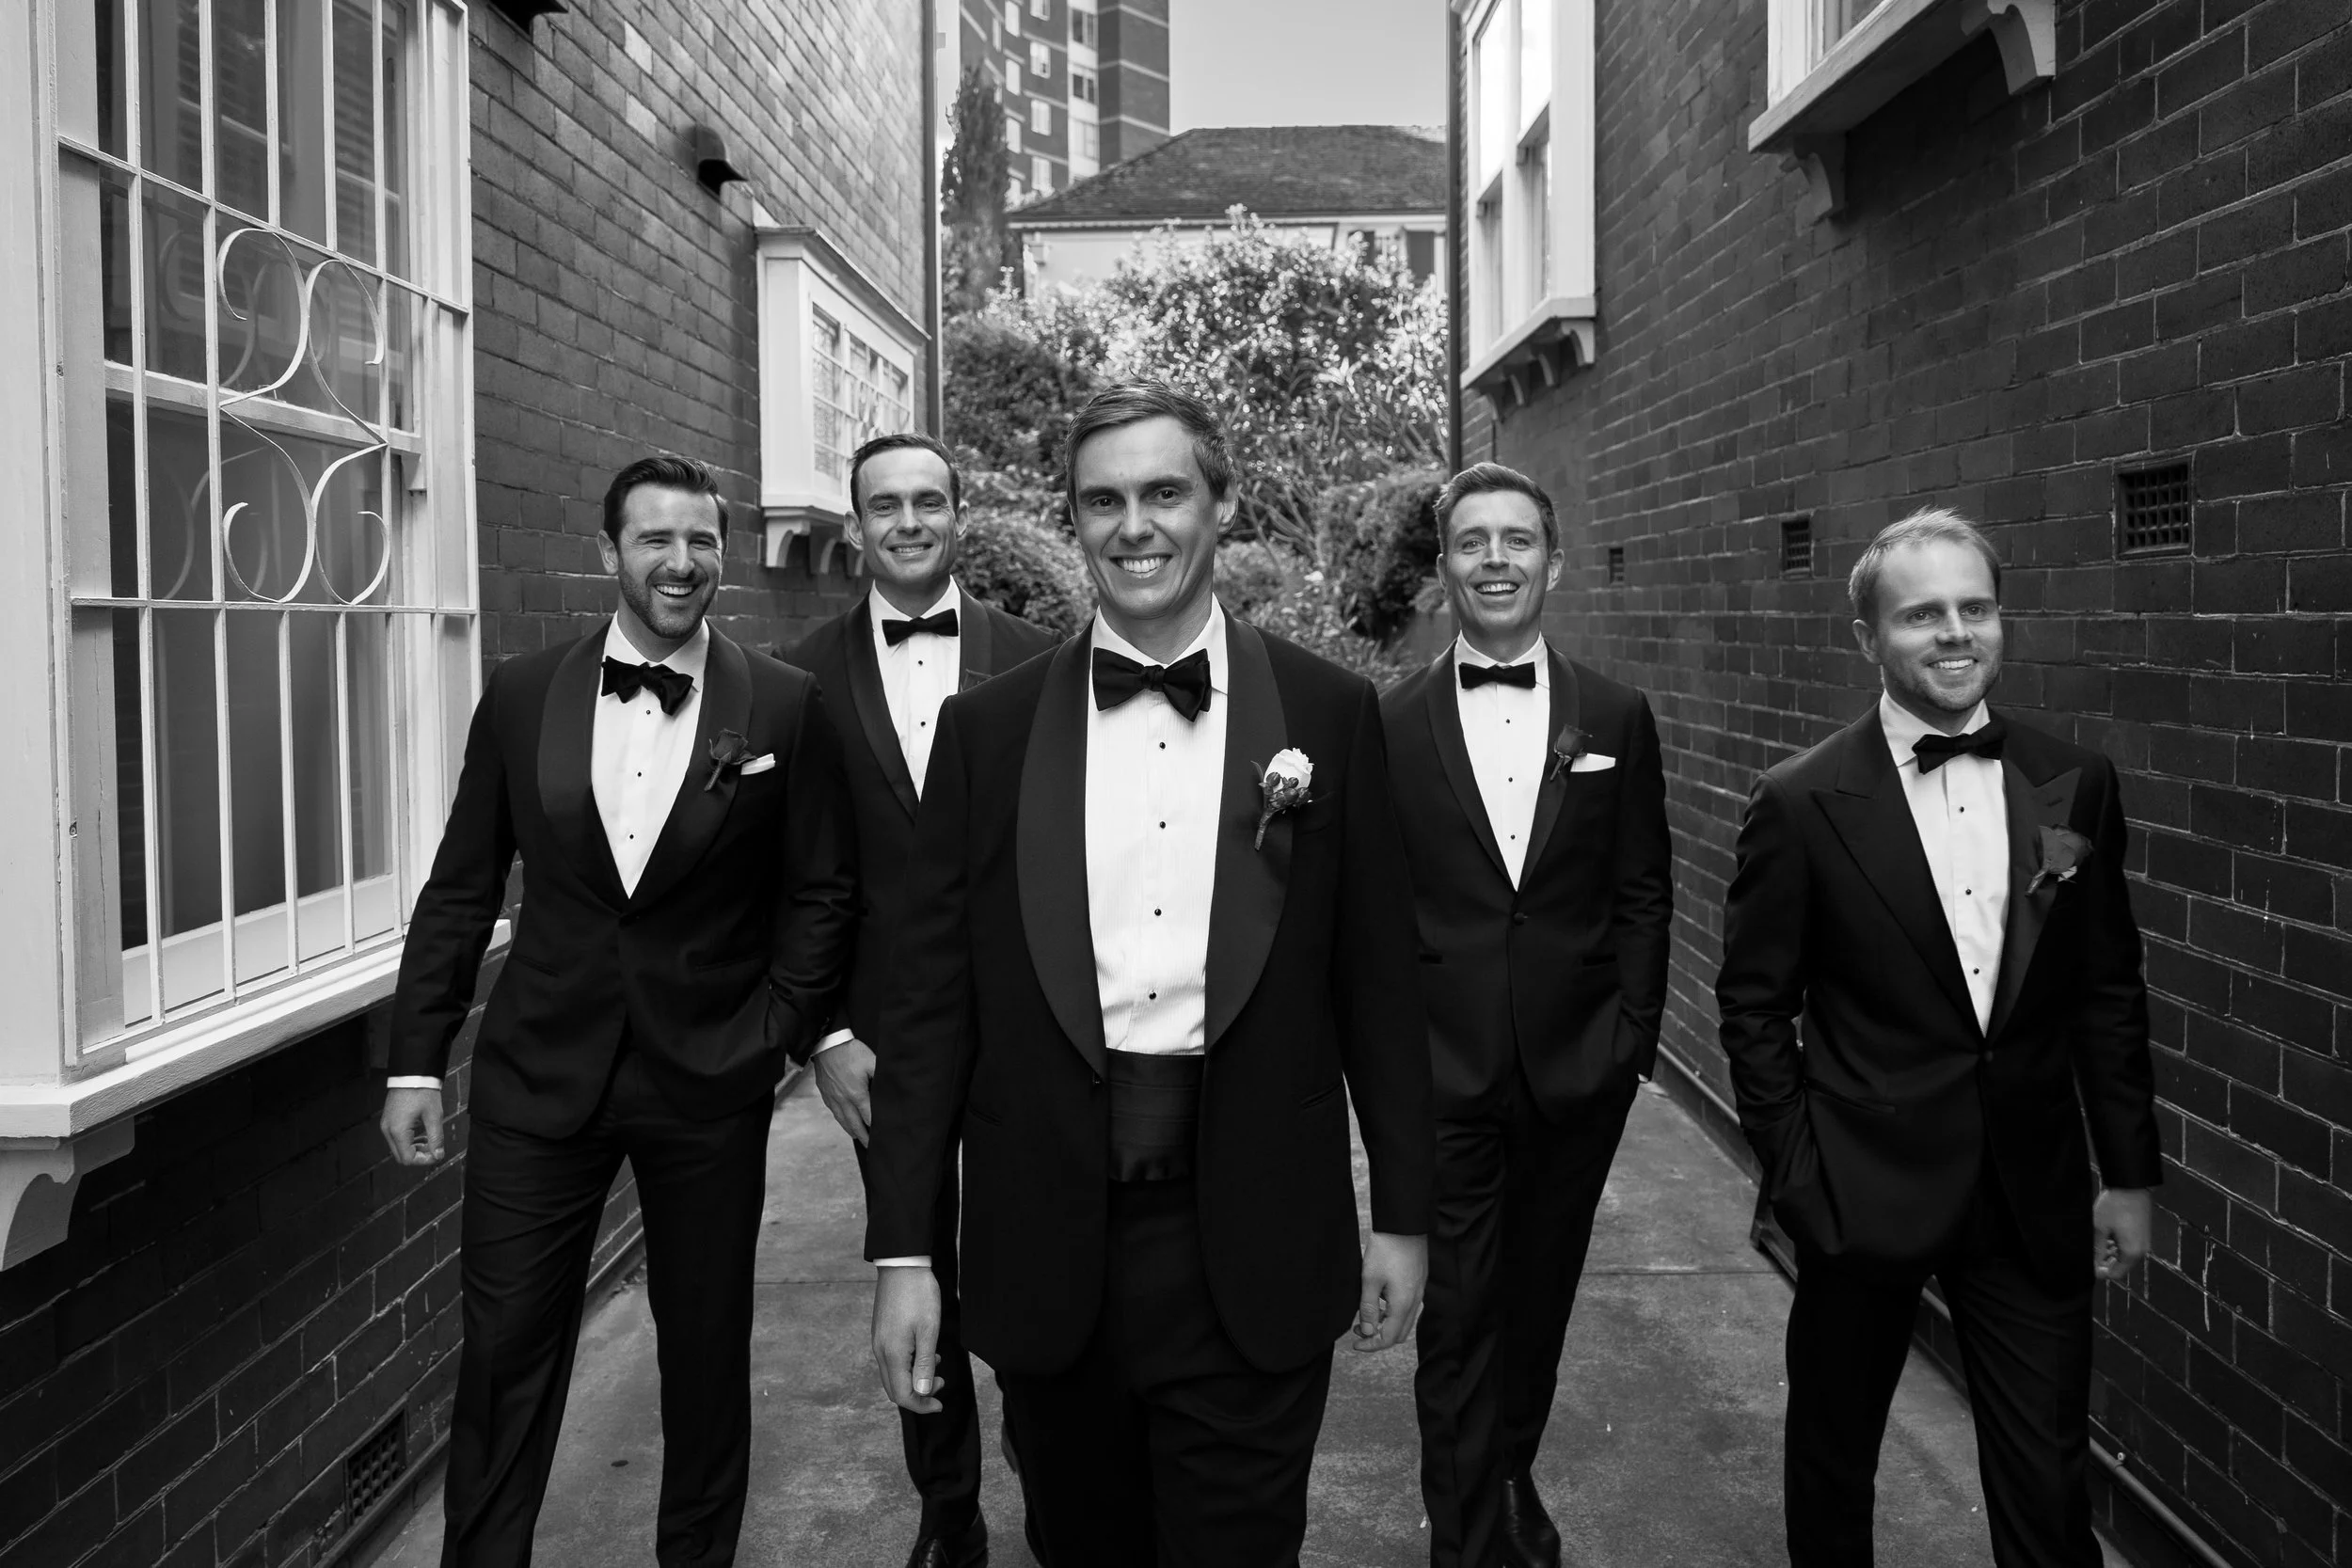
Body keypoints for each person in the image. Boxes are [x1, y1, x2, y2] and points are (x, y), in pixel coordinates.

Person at [863, 381, 1434, 1567]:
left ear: (1218, 504)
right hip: (1052, 1241)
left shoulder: (1331, 714)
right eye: (1103, 500)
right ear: (1073, 520)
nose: (1135, 525)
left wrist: (1405, 1214)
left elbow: (1377, 983)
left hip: (1258, 1234)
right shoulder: (988, 733)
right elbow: (928, 1014)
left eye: (1164, 491)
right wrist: (906, 1252)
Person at [381, 454, 858, 1568]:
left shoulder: (783, 700)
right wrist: (415, 1057)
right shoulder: (520, 691)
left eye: (700, 541)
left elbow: (822, 887)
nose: (680, 562)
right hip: (540, 1074)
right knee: (504, 1349)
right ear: (609, 552)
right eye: (654, 539)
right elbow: (462, 882)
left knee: (703, 1353)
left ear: (721, 554)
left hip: (710, 1077)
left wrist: (778, 1030)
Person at [1715, 509, 2161, 1567]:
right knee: (1832, 1461)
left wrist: (2128, 1172)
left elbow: (2105, 987)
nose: (1954, 632)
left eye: (1974, 607)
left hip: (2030, 1186)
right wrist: (1796, 1175)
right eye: (1921, 614)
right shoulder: (1798, 800)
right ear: (1867, 635)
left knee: (2048, 1475)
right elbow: (1752, 1005)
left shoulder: (2072, 781)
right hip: (1859, 1188)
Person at [1381, 464, 1672, 1568]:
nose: (1493, 559)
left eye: (1516, 540)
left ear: (1551, 560)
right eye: (1470, 541)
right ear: (1443, 565)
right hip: (1441, 1071)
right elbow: (1375, 905)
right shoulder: (1391, 719)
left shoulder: (1614, 715)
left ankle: (1508, 1468)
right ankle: (1468, 1542)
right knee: (1455, 1315)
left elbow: (1642, 886)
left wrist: (1629, 1041)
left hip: (1574, 1070)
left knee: (1537, 1302)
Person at [781, 433, 1057, 1568]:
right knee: (914, 1265)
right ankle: (948, 1512)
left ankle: (1058, 1492)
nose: (908, 521)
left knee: (1038, 1258)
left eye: (928, 500)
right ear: (856, 526)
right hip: (880, 1036)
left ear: (959, 512)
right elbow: (797, 876)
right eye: (884, 505)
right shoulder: (798, 678)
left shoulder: (1043, 658)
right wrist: (826, 1033)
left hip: (1029, 1025)